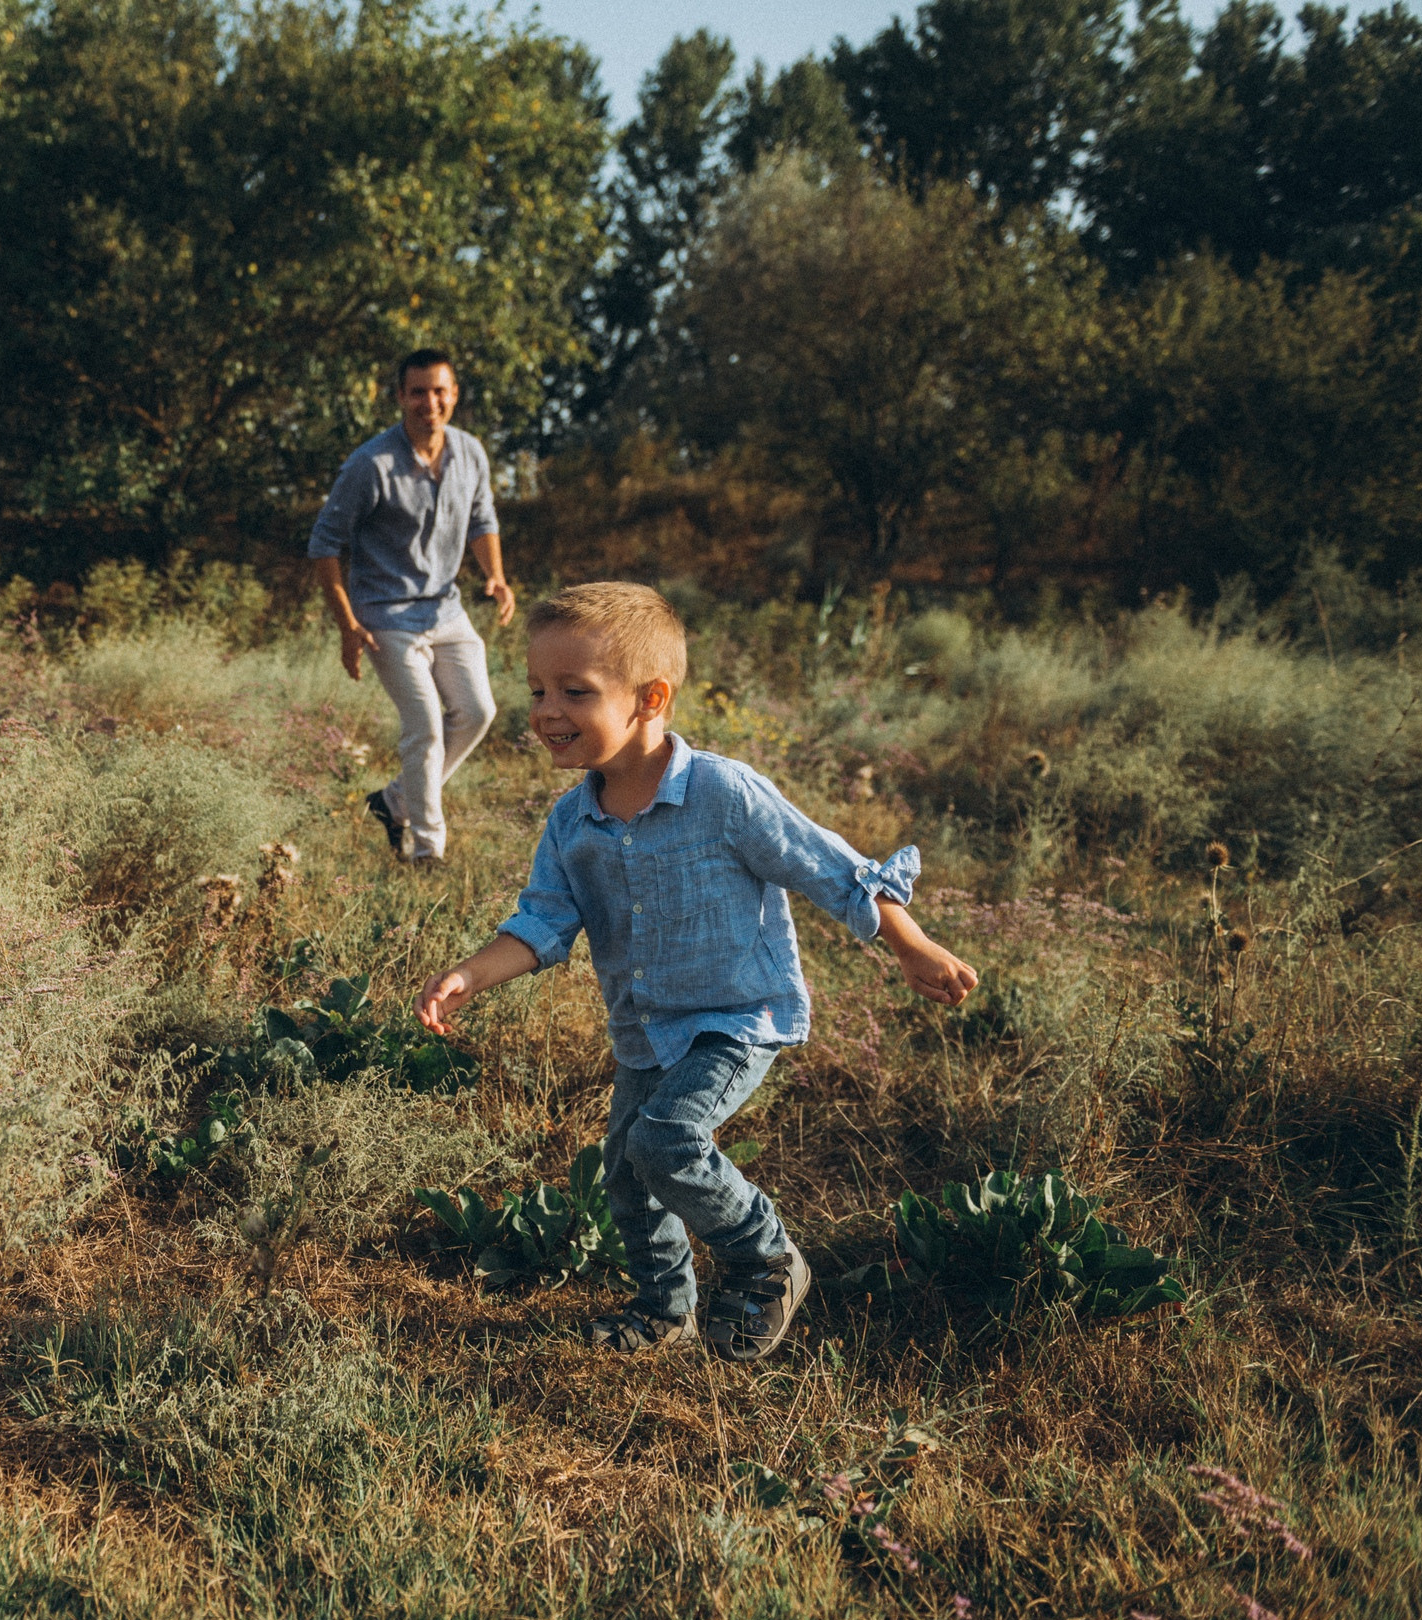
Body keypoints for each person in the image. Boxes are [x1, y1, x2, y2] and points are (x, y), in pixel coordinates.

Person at [412, 581, 980, 1361]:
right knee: (624, 1173)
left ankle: (764, 1257)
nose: (546, 710)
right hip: (648, 1028)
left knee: (667, 1137)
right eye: (538, 689)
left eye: (575, 692)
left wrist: (911, 942)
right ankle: (664, 1309)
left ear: (651, 698)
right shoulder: (572, 820)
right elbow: (544, 920)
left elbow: (828, 867)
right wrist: (471, 975)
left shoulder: (724, 793)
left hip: (736, 1017)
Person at [307, 348, 515, 865]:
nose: (430, 402)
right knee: (423, 724)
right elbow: (324, 545)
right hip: (385, 614)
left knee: (477, 711)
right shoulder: (370, 464)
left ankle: (393, 802)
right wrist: (347, 625)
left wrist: (496, 576)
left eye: (440, 391)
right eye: (418, 392)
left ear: (455, 395)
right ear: (400, 397)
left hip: (446, 610)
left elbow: (483, 521)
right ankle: (426, 852)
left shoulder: (469, 453)